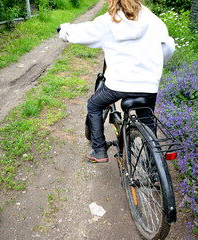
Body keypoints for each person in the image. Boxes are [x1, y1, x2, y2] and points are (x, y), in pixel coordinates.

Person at [59, 0, 175, 163]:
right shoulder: (153, 20)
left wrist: (65, 30)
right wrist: (154, 67)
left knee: (93, 105)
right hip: (148, 85)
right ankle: (154, 172)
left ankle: (99, 151)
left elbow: (82, 32)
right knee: (147, 118)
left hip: (118, 85)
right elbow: (168, 47)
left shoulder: (108, 21)